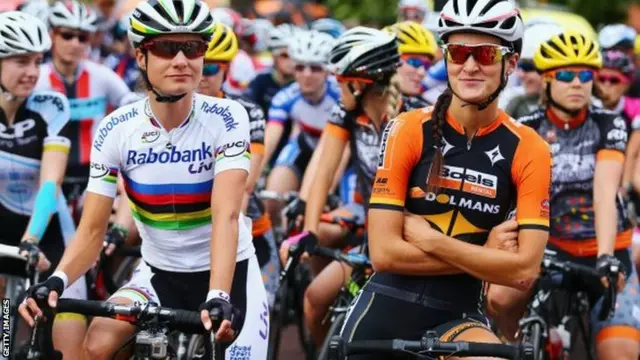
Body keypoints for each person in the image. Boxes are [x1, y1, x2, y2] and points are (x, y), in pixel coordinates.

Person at [18, 1, 269, 359]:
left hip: (229, 276)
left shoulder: (228, 117)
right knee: (98, 344)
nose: (181, 60)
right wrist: (57, 280)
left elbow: (226, 215)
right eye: (167, 48)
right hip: (157, 275)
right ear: (140, 56)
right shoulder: (117, 129)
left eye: (193, 48)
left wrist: (219, 295)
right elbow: (91, 231)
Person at [339, 0, 551, 357]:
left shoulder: (531, 149)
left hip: (459, 317)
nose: (469, 66)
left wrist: (427, 239)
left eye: (484, 53)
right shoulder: (406, 128)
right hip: (382, 312)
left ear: (510, 63)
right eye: (457, 52)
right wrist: (485, 256)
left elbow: (523, 271)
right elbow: (385, 253)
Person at [488, 30, 640, 360]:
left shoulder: (608, 123)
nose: (577, 83)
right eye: (566, 75)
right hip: (548, 251)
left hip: (605, 251)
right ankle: (517, 344)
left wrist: (604, 256)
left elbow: (603, 192)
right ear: (546, 81)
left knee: (620, 354)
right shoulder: (526, 127)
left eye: (585, 75)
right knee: (499, 298)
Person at [284, 24, 438, 347]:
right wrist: (310, 231)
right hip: (370, 232)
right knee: (313, 298)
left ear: (359, 84)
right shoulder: (348, 113)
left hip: (408, 240)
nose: (335, 89)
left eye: (339, 81)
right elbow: (324, 171)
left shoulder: (415, 119)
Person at [0, 11, 90, 359]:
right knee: (3, 337)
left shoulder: (51, 104)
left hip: (47, 235)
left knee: (70, 348)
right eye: (21, 61)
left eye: (38, 61)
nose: (33, 72)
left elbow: (50, 182)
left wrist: (31, 239)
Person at [198, 22, 280, 308]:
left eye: (211, 69)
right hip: (186, 229)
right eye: (198, 65)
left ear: (227, 71)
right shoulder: (172, 110)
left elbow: (246, 182)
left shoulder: (248, 111)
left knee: (262, 307)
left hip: (245, 226)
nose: (201, 76)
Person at [35, 0, 134, 221]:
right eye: (67, 35)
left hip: (94, 177)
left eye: (83, 37)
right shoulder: (37, 78)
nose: (75, 43)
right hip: (46, 177)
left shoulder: (101, 75)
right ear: (52, 35)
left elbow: (133, 105)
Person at [262, 30, 339, 228]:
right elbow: (269, 139)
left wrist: (328, 190)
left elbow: (342, 151)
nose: (306, 74)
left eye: (315, 68)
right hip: (305, 147)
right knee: (272, 198)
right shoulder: (285, 97)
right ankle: (280, 237)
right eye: (300, 67)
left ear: (327, 71)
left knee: (324, 205)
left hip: (338, 154)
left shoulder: (340, 94)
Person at [245, 23, 296, 168]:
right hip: (262, 148)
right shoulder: (260, 81)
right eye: (285, 55)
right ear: (274, 56)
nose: (291, 61)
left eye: (294, 55)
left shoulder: (302, 85)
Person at [502, 21, 563, 118]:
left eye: (528, 67)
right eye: (520, 66)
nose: (520, 74)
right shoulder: (511, 101)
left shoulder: (580, 105)